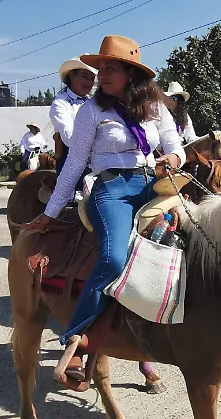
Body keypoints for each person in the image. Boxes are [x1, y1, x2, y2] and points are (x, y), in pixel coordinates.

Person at [27, 35, 185, 387]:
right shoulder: (91, 111)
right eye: (100, 69)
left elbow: (176, 146)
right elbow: (73, 165)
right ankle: (77, 339)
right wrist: (51, 212)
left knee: (195, 239)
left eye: (110, 68)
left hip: (153, 186)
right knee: (114, 259)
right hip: (111, 190)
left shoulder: (156, 107)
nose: (101, 75)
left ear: (131, 73)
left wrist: (173, 158)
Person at [49, 57, 97, 176]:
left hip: (98, 158)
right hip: (71, 160)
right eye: (84, 77)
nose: (89, 82)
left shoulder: (94, 102)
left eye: (92, 79)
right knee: (75, 194)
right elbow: (70, 138)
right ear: (72, 76)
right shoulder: (60, 103)